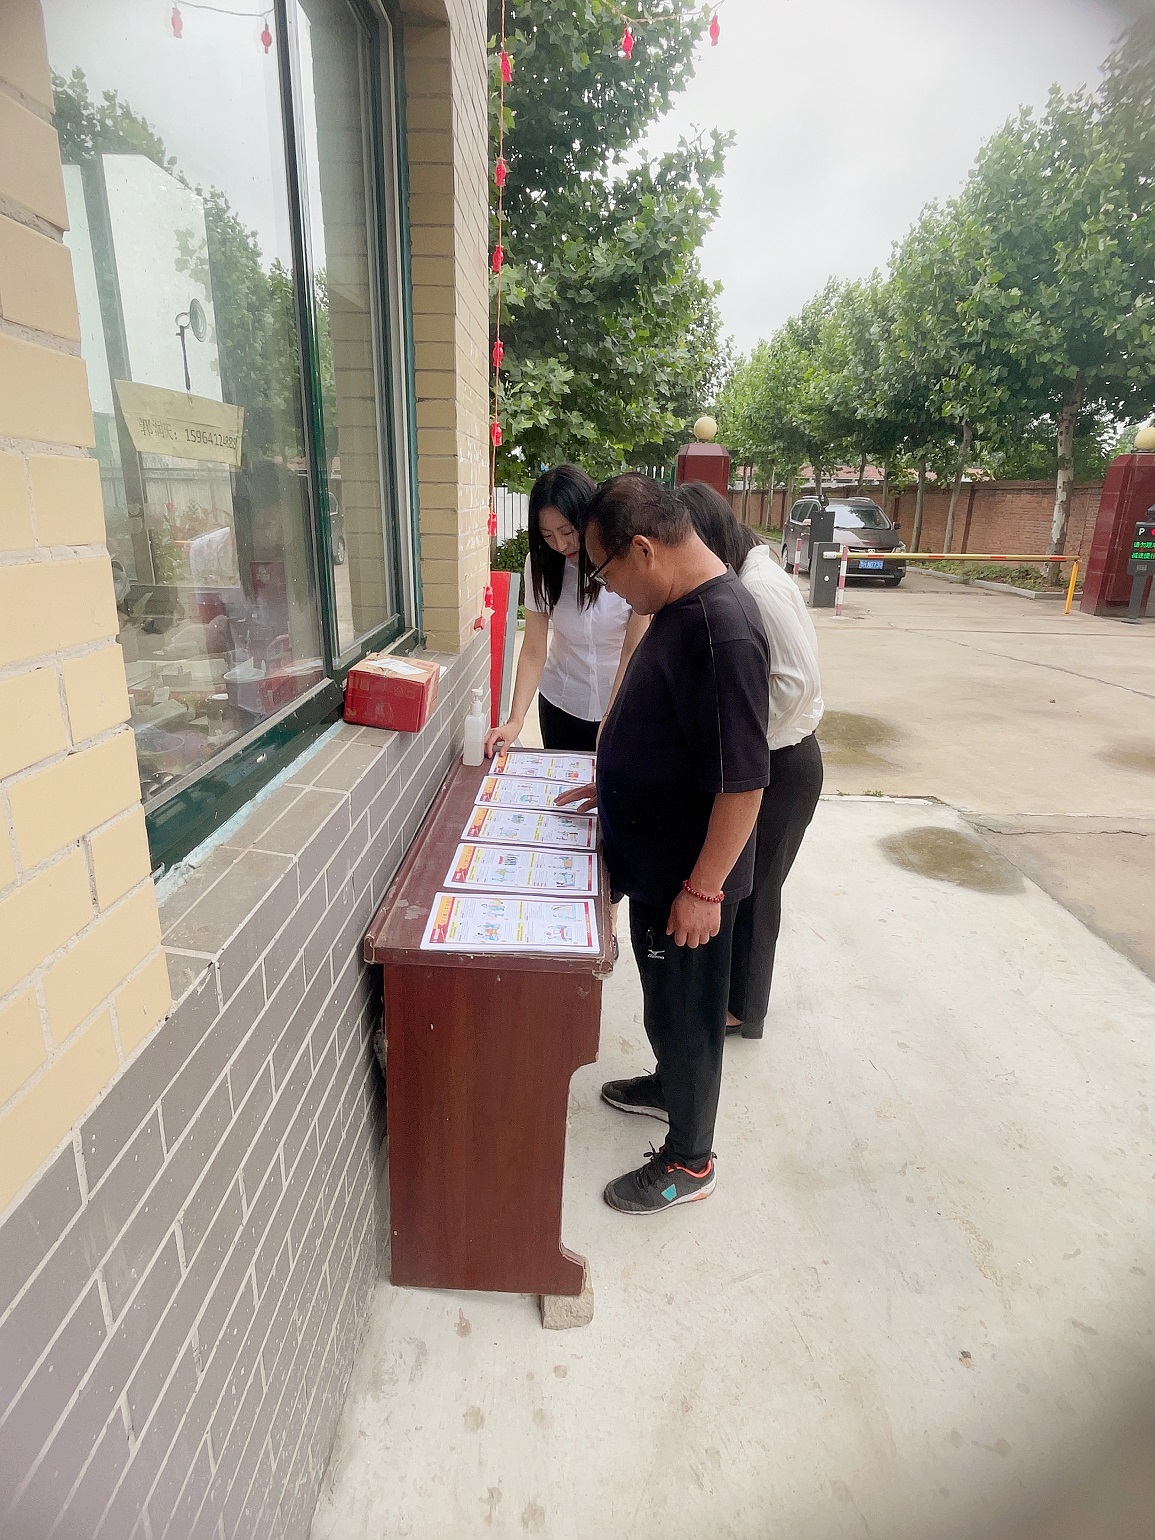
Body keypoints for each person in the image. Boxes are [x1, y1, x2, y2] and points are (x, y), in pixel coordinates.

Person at [558, 474, 770, 1214]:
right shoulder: (681, 607)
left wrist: (704, 888)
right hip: (660, 862)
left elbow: (743, 782)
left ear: (643, 549)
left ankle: (690, 1158)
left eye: (606, 571)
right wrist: (618, 782)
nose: (608, 590)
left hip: (690, 876)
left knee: (689, 1014)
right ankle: (667, 1084)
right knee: (663, 1004)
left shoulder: (723, 629)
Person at [675, 482, 824, 1040]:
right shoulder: (748, 575)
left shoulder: (760, 586)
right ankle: (737, 999)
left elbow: (796, 684)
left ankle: (745, 1009)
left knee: (759, 890)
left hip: (785, 761)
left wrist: (737, 741)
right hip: (769, 754)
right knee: (747, 886)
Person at [485, 464, 648, 755]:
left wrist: (610, 718)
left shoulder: (624, 560)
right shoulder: (540, 565)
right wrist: (515, 721)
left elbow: (631, 651)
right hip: (562, 704)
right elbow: (533, 650)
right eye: (547, 536)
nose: (560, 545)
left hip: (622, 705)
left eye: (567, 531)